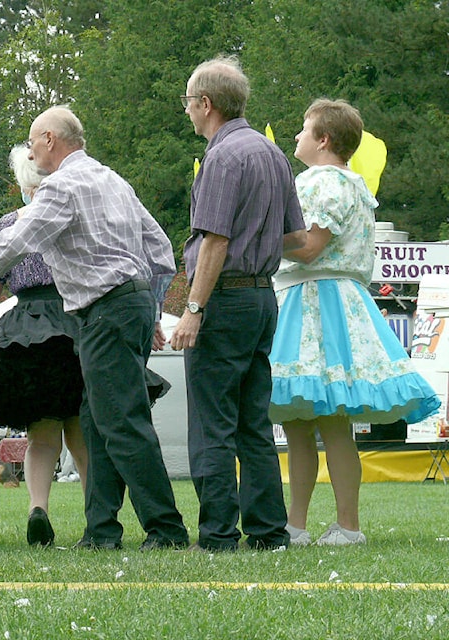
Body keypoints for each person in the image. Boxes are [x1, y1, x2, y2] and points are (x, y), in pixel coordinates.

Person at [0, 106, 188, 552]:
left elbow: (18, 238)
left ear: (49, 139)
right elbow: (161, 248)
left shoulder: (61, 187)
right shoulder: (112, 180)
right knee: (94, 418)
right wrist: (153, 306)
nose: (31, 153)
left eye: (32, 143)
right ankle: (101, 530)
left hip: (104, 311)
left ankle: (166, 529)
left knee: (121, 421)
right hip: (129, 305)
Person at [270, 99, 440, 546]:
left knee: (314, 423)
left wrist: (259, 237)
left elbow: (309, 247)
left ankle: (332, 525)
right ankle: (313, 525)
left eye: (304, 131)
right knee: (319, 422)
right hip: (333, 301)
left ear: (324, 139)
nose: (296, 138)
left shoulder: (323, 182)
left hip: (316, 304)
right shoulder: (355, 185)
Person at [170, 55, 307, 552]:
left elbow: (214, 242)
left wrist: (193, 308)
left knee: (212, 422)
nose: (186, 110)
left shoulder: (222, 158)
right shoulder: (273, 154)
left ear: (205, 104)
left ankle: (219, 535)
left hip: (225, 301)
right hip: (264, 298)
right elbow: (295, 236)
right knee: (254, 422)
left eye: (188, 101)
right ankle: (269, 531)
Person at [0, 144, 89, 547]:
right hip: (73, 318)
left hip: (27, 326)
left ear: (23, 183)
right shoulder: (70, 210)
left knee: (41, 428)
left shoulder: (7, 224)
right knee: (79, 427)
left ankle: (38, 507)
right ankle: (96, 515)